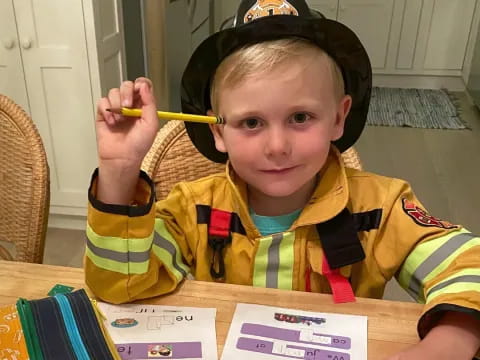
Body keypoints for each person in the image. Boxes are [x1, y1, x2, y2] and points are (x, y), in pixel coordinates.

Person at [85, 0, 480, 358]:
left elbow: (469, 266)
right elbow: (122, 287)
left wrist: (450, 342)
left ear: (339, 117)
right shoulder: (192, 209)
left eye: (300, 117)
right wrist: (119, 172)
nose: (277, 146)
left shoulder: (381, 208)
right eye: (252, 122)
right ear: (219, 132)